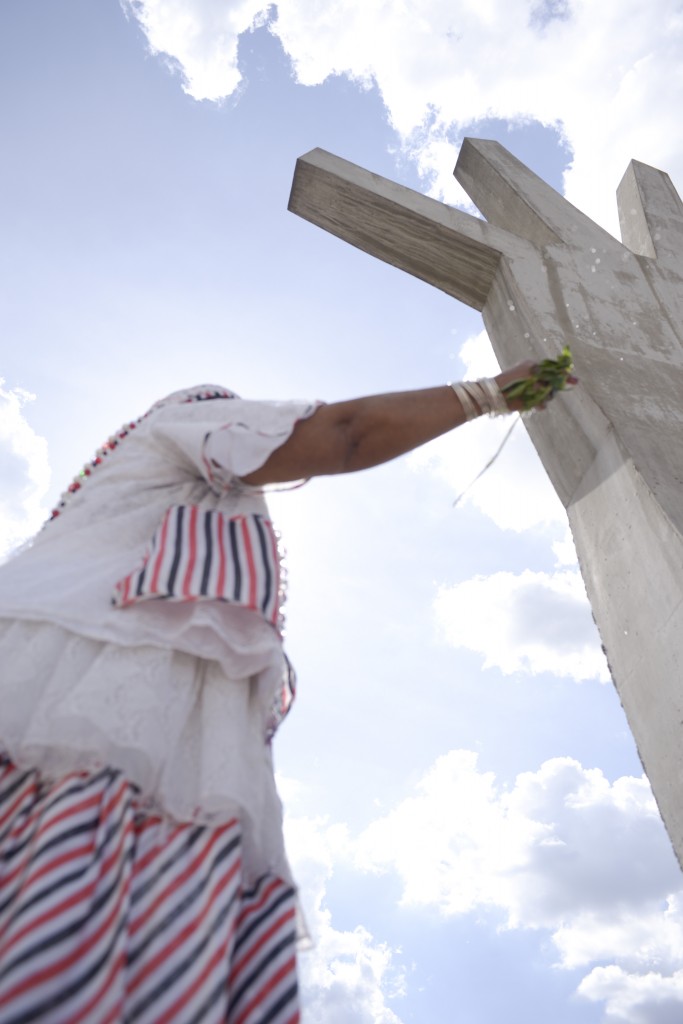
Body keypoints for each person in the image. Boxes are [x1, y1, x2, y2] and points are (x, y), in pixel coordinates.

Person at [0, 362, 565, 1023]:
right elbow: (344, 434)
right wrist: (489, 395)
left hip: (126, 693)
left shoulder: (128, 495)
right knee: (84, 891)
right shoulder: (187, 424)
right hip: (89, 676)